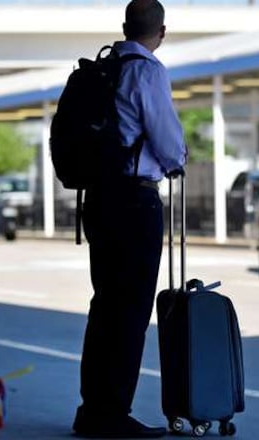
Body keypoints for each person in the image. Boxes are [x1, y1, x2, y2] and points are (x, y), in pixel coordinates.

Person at [72, 0, 186, 438]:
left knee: (105, 306)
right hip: (134, 203)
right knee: (131, 312)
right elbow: (168, 142)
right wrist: (178, 159)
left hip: (98, 200)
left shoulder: (102, 69)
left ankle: (92, 409)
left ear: (124, 28)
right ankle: (112, 413)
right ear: (162, 32)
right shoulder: (147, 71)